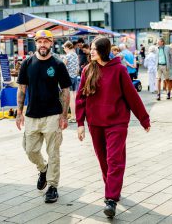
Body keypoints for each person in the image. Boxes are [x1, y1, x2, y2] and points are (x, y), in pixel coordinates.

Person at [75, 36, 150, 218]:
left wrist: (144, 119)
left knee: (114, 160)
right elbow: (81, 98)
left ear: (103, 50)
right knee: (103, 161)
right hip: (95, 123)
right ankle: (113, 188)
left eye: (94, 48)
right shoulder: (87, 70)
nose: (90, 51)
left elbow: (132, 96)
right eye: (90, 48)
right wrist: (80, 123)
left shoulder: (119, 70)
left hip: (117, 123)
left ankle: (110, 199)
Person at [16, 30, 71, 204]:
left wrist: (64, 115)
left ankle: (53, 187)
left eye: (46, 42)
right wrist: (19, 113)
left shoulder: (58, 64)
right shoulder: (27, 63)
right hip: (32, 115)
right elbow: (22, 89)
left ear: (51, 43)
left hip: (53, 115)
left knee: (53, 152)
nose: (42, 45)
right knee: (30, 150)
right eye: (39, 42)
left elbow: (66, 91)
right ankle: (43, 168)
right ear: (35, 44)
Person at [62, 41, 79, 123]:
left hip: (68, 77)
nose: (64, 50)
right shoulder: (75, 55)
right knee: (75, 96)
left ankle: (73, 116)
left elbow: (62, 67)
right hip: (75, 77)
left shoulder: (67, 56)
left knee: (70, 97)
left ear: (67, 47)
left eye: (64, 48)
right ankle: (76, 115)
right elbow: (77, 68)